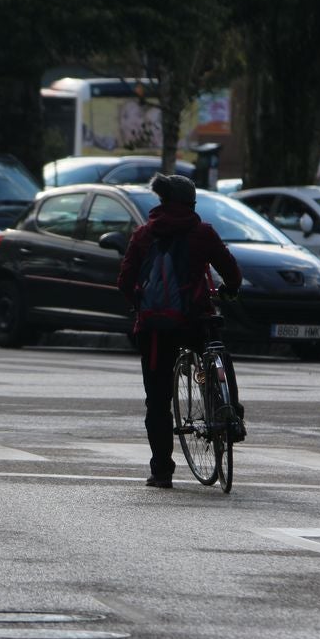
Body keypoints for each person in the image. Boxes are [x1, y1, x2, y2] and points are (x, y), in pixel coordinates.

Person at [117, 173, 242, 489]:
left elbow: (124, 282)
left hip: (157, 331)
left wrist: (142, 304)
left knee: (158, 400)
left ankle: (161, 471)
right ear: (191, 204)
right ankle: (226, 409)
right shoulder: (203, 234)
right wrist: (229, 289)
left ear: (162, 202)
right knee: (213, 358)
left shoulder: (143, 235)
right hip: (194, 325)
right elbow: (232, 273)